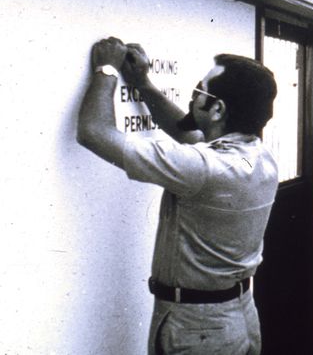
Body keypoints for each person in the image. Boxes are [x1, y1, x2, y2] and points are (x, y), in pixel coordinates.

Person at [77, 36, 279, 355]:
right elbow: (189, 133)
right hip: (236, 317)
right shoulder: (258, 157)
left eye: (200, 90)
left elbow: (94, 132)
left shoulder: (205, 168)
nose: (192, 95)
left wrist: (106, 69)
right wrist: (141, 82)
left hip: (197, 329)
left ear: (218, 109)